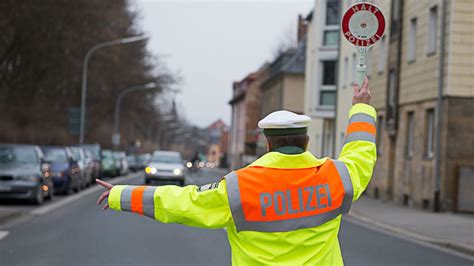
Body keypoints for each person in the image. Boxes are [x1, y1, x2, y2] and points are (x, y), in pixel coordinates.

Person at [96, 77, 376, 265]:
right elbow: (360, 152)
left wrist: (121, 195)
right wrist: (360, 107)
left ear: (267, 143)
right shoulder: (336, 177)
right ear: (306, 140)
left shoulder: (239, 186)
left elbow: (185, 203)